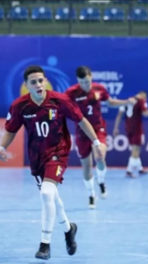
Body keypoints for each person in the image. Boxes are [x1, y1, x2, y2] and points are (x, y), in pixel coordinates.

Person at [0, 66, 105, 259]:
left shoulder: (61, 100)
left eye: (41, 80)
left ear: (46, 81)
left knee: (47, 194)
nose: (39, 84)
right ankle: (69, 229)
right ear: (26, 86)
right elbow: (10, 130)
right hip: (37, 158)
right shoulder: (19, 106)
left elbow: (81, 120)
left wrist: (96, 142)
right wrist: (1, 147)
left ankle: (44, 244)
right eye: (34, 82)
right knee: (53, 198)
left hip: (58, 154)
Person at [65, 66, 135, 209]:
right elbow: (62, 109)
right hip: (82, 131)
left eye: (88, 82)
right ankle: (91, 194)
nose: (86, 85)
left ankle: (101, 181)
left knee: (100, 156)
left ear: (91, 78)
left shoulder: (99, 89)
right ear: (78, 81)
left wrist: (126, 102)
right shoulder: (71, 93)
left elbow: (110, 102)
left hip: (98, 128)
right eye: (83, 82)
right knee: (86, 166)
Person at [113, 91, 148, 178]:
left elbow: (119, 115)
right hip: (137, 129)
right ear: (143, 96)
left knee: (136, 149)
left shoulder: (126, 101)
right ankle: (129, 171)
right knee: (135, 150)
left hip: (128, 129)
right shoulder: (141, 102)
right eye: (145, 98)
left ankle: (140, 169)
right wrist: (145, 106)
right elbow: (146, 114)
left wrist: (116, 128)